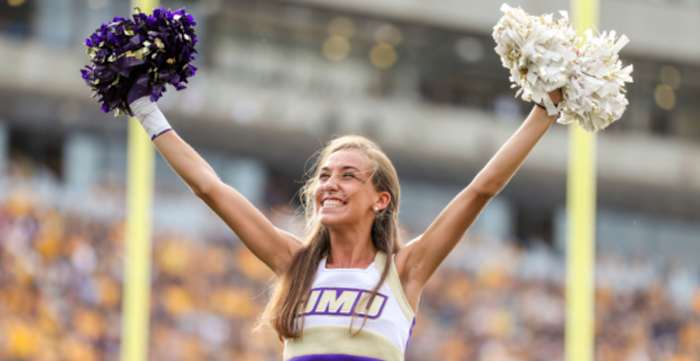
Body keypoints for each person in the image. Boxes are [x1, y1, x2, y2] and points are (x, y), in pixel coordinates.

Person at [128, 88, 561, 361]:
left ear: (381, 200)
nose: (330, 185)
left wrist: (543, 109)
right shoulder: (294, 262)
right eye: (325, 175)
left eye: (348, 175)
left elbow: (480, 190)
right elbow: (211, 189)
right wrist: (146, 110)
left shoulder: (404, 271)